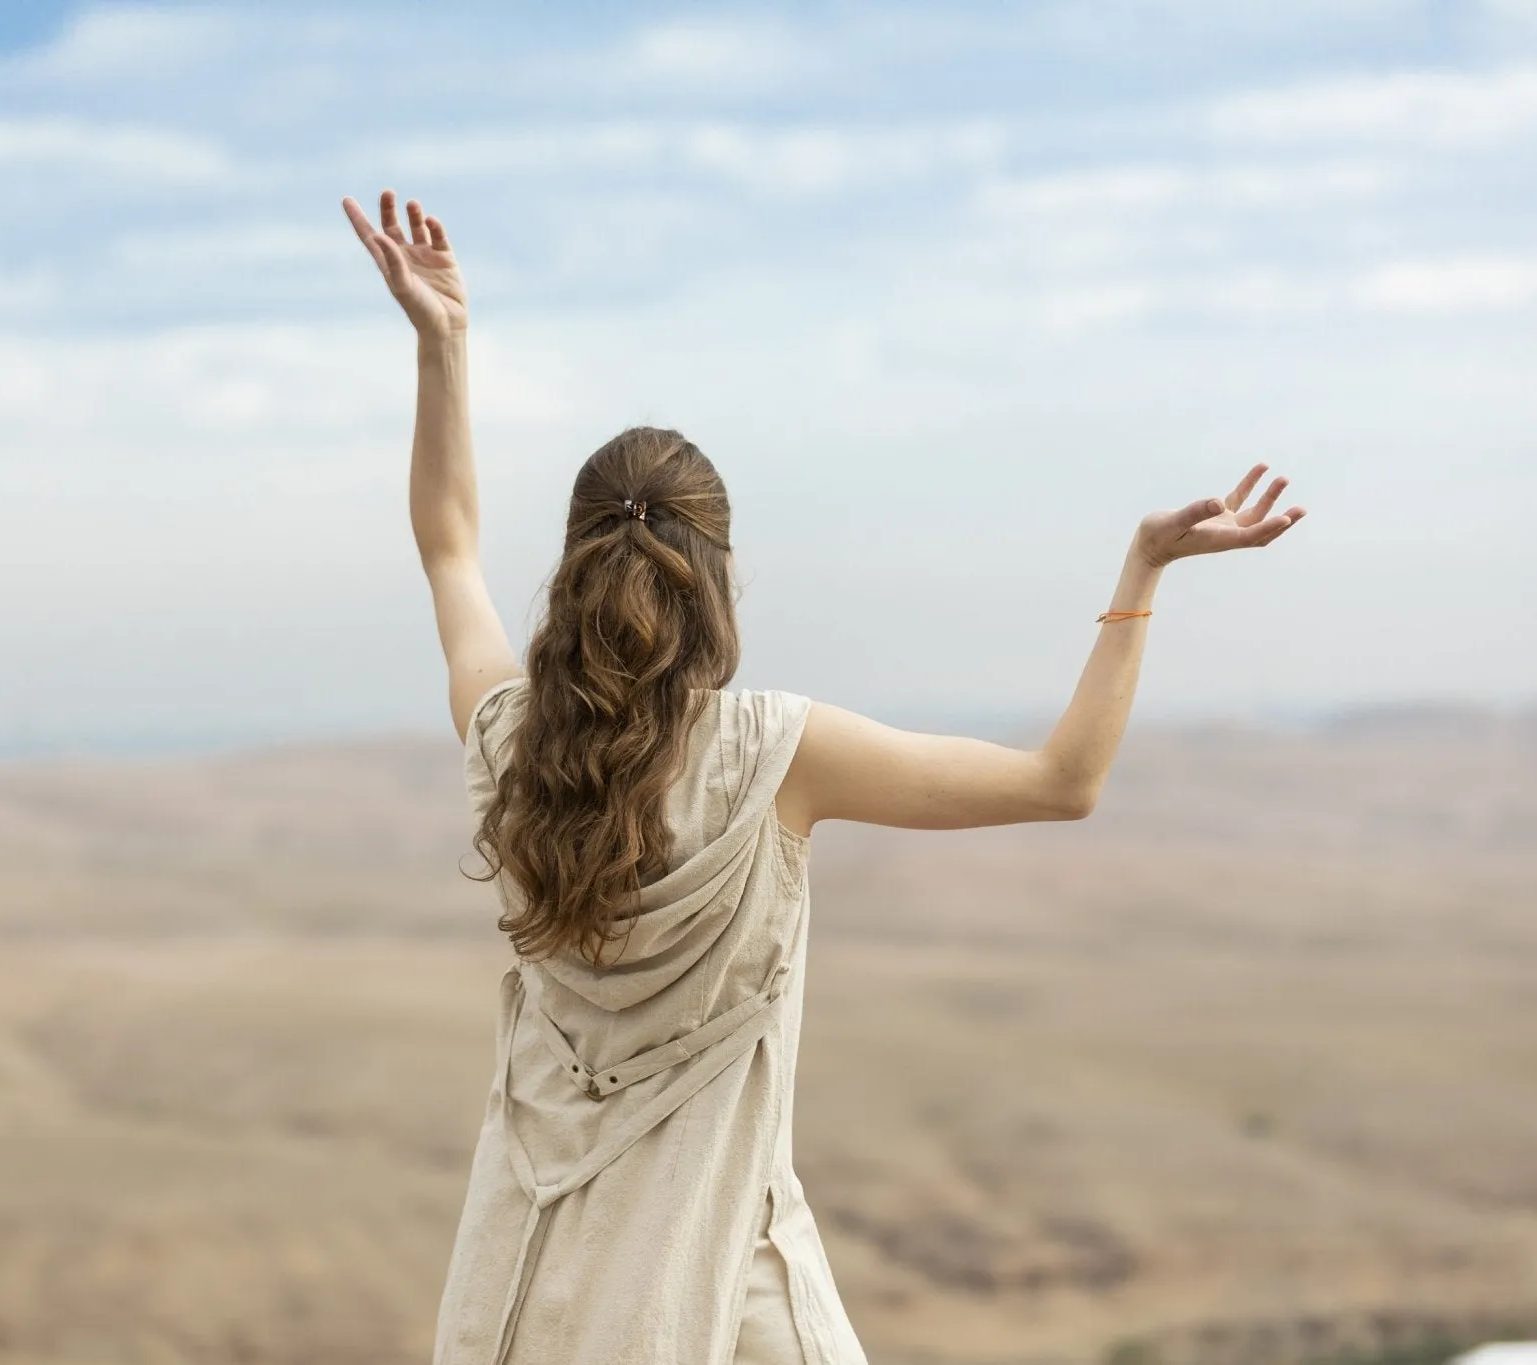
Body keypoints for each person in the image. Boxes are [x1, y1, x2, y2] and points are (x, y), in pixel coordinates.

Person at [340, 188, 1306, 1365]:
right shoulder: (773, 755)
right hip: (707, 1295)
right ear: (716, 573)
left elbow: (446, 542)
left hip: (524, 1293)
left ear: (580, 562)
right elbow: (1062, 780)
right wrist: (1142, 569)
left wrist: (441, 347)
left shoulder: (506, 740)